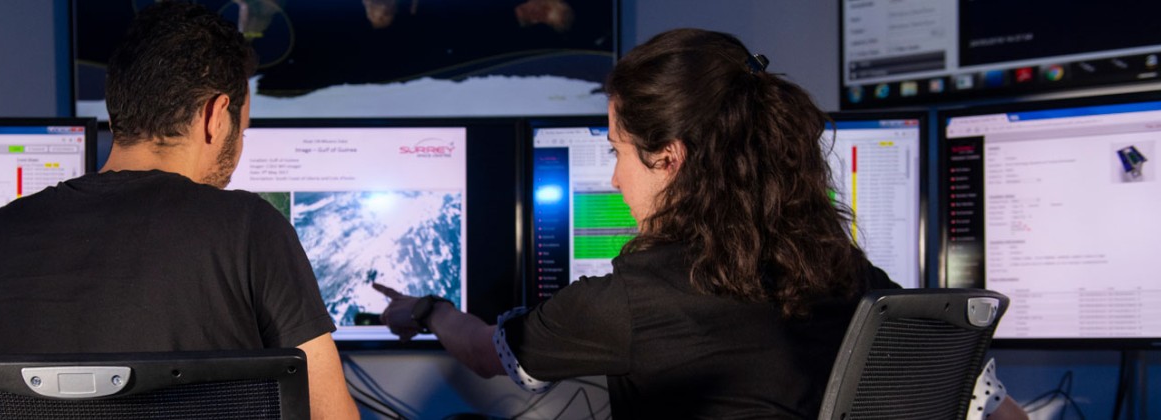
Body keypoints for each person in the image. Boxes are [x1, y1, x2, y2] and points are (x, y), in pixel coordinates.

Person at [375, 28, 899, 418]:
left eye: (617, 151)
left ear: (669, 158)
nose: (614, 179)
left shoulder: (628, 301)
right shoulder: (848, 272)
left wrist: (427, 310)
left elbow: (485, 352)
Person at [0, 3, 357, 419]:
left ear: (117, 111)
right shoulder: (249, 227)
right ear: (215, 116)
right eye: (242, 128)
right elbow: (331, 416)